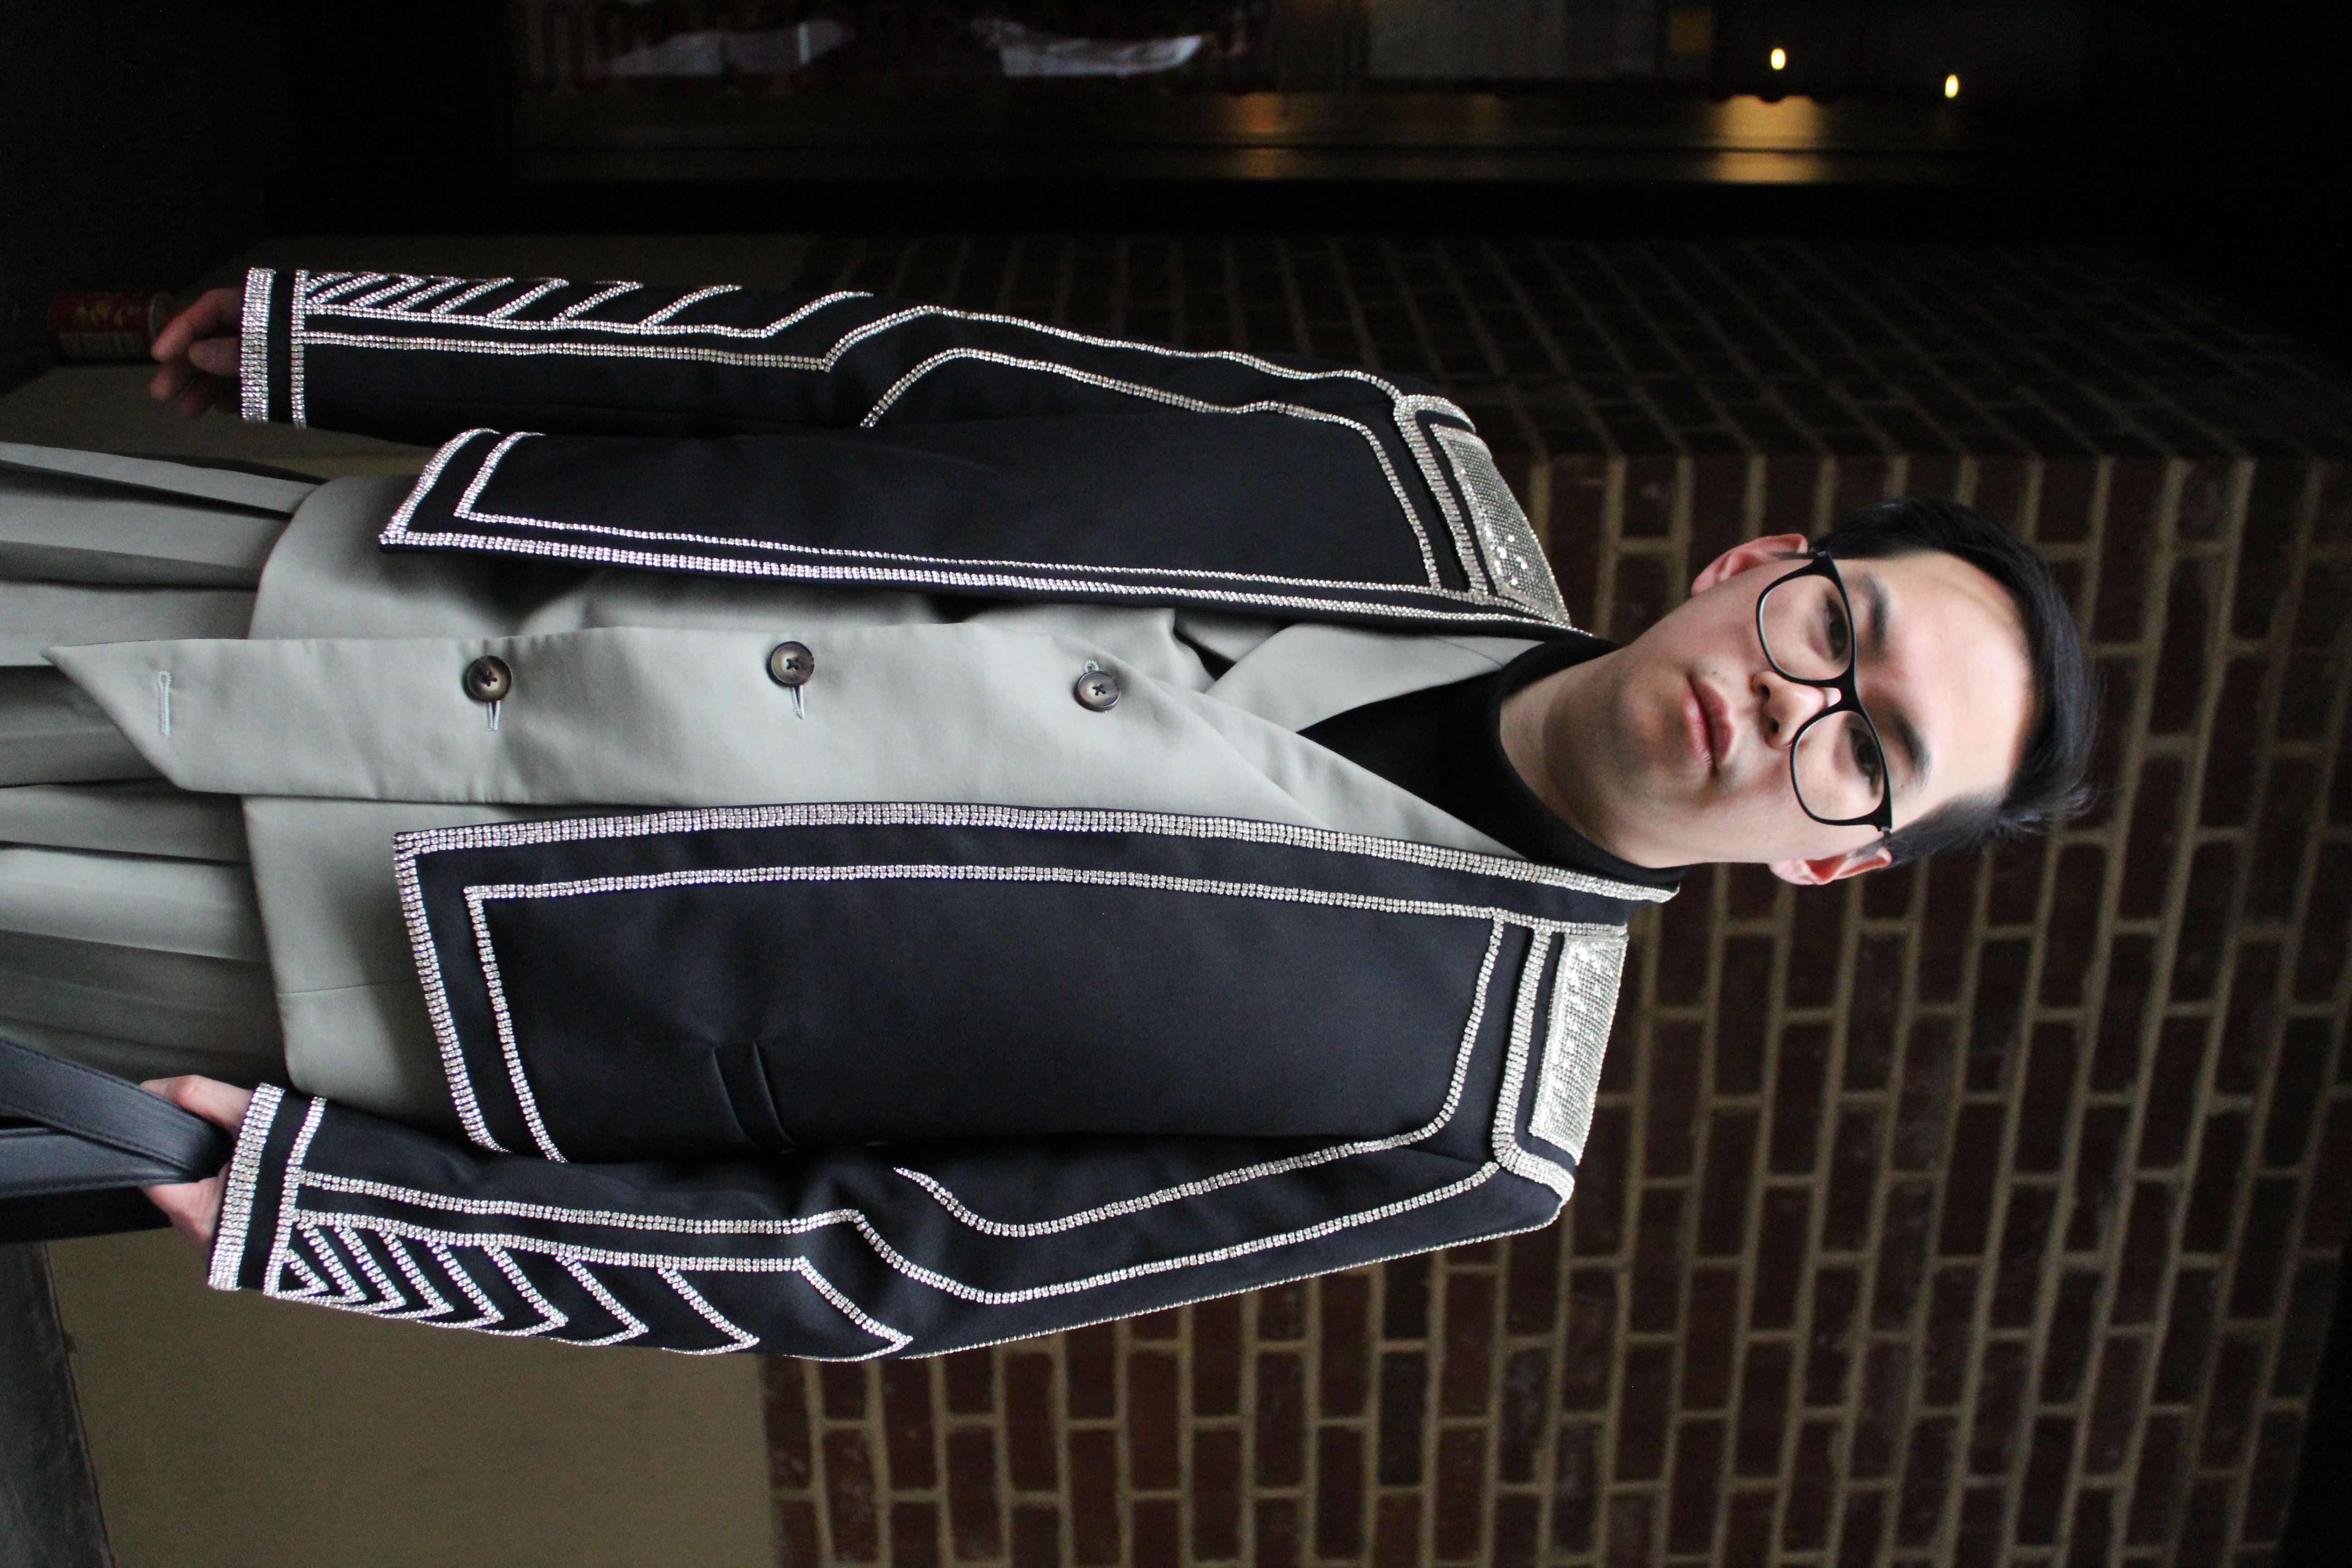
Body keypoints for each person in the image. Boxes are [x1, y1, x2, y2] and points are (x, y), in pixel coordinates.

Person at [3, 269, 2090, 1355]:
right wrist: (361, 337)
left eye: (1867, 749)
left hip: (391, 942)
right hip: (404, 579)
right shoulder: (1387, 459)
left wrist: (365, 1217)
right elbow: (868, 371)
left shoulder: (1469, 1120)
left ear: (1837, 858)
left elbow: (896, 1267)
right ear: (1763, 560)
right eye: (1840, 626)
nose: (1789, 699)